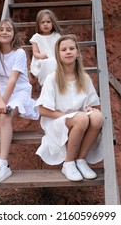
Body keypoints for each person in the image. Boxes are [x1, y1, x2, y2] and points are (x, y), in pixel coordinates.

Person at [35, 34, 104, 181]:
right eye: (64, 49)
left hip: (79, 118)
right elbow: (42, 110)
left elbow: (92, 103)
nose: (68, 52)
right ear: (58, 55)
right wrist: (70, 116)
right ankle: (68, 162)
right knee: (81, 119)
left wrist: (90, 109)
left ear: (78, 53)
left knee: (97, 117)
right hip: (56, 121)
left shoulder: (84, 78)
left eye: (72, 48)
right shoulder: (52, 78)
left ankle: (81, 160)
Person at [0, 19, 39, 184]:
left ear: (13, 34)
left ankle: (3, 163)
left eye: (8, 29)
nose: (4, 32)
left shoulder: (19, 53)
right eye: (1, 29)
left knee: (5, 115)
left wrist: (3, 104)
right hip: (1, 92)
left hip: (19, 91)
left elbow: (13, 80)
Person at [29, 9, 62, 86]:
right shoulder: (36, 37)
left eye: (48, 22)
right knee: (47, 63)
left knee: (54, 63)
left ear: (52, 23)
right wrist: (41, 56)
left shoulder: (57, 36)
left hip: (55, 59)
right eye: (42, 22)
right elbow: (35, 53)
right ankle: (45, 85)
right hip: (42, 60)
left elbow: (60, 49)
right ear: (38, 24)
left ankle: (54, 85)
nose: (45, 24)